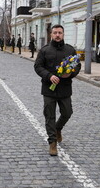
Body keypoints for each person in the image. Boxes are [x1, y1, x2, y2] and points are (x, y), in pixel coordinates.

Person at [34, 25, 81, 156]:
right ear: (51, 35)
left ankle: (58, 128)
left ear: (63, 34)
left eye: (60, 32)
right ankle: (52, 142)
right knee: (50, 116)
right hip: (49, 89)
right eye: (55, 33)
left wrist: (70, 74)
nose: (57, 35)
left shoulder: (70, 50)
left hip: (65, 88)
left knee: (67, 113)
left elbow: (77, 65)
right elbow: (38, 66)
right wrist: (49, 76)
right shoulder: (44, 50)